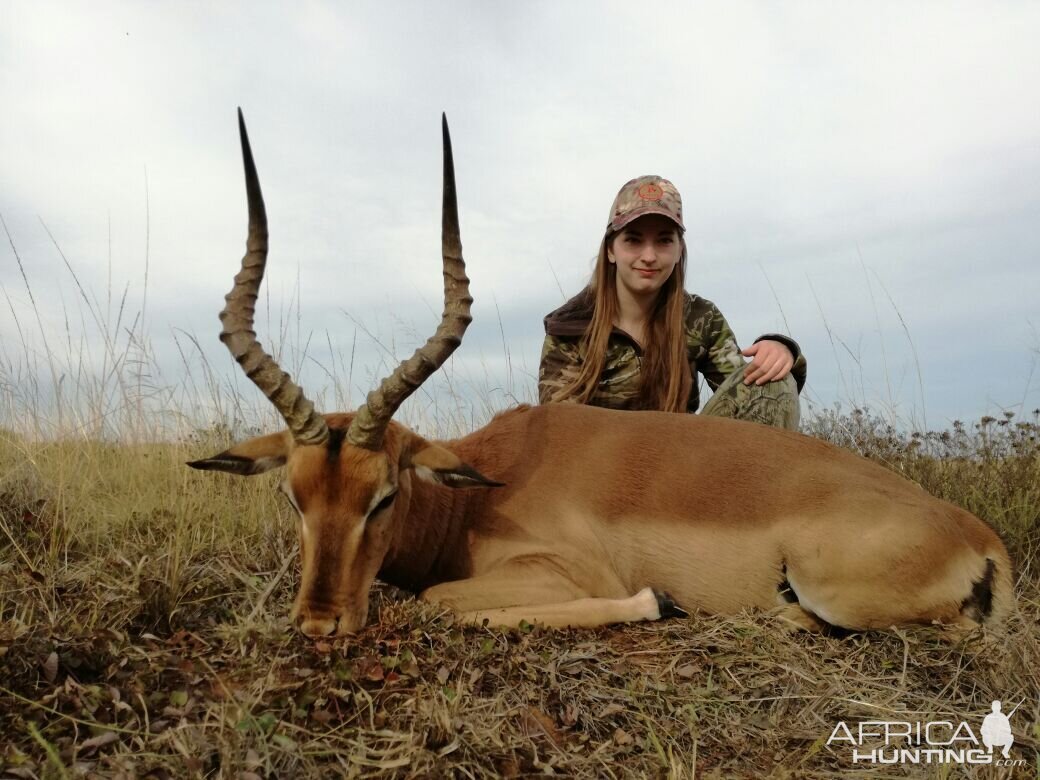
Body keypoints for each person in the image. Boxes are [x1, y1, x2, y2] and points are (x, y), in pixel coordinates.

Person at [539, 175, 805, 429]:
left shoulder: (701, 318)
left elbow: (747, 390)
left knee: (774, 382)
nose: (649, 256)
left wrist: (783, 350)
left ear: (679, 250)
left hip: (681, 462)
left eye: (664, 240)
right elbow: (560, 430)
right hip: (604, 466)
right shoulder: (569, 327)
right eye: (633, 240)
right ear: (610, 249)